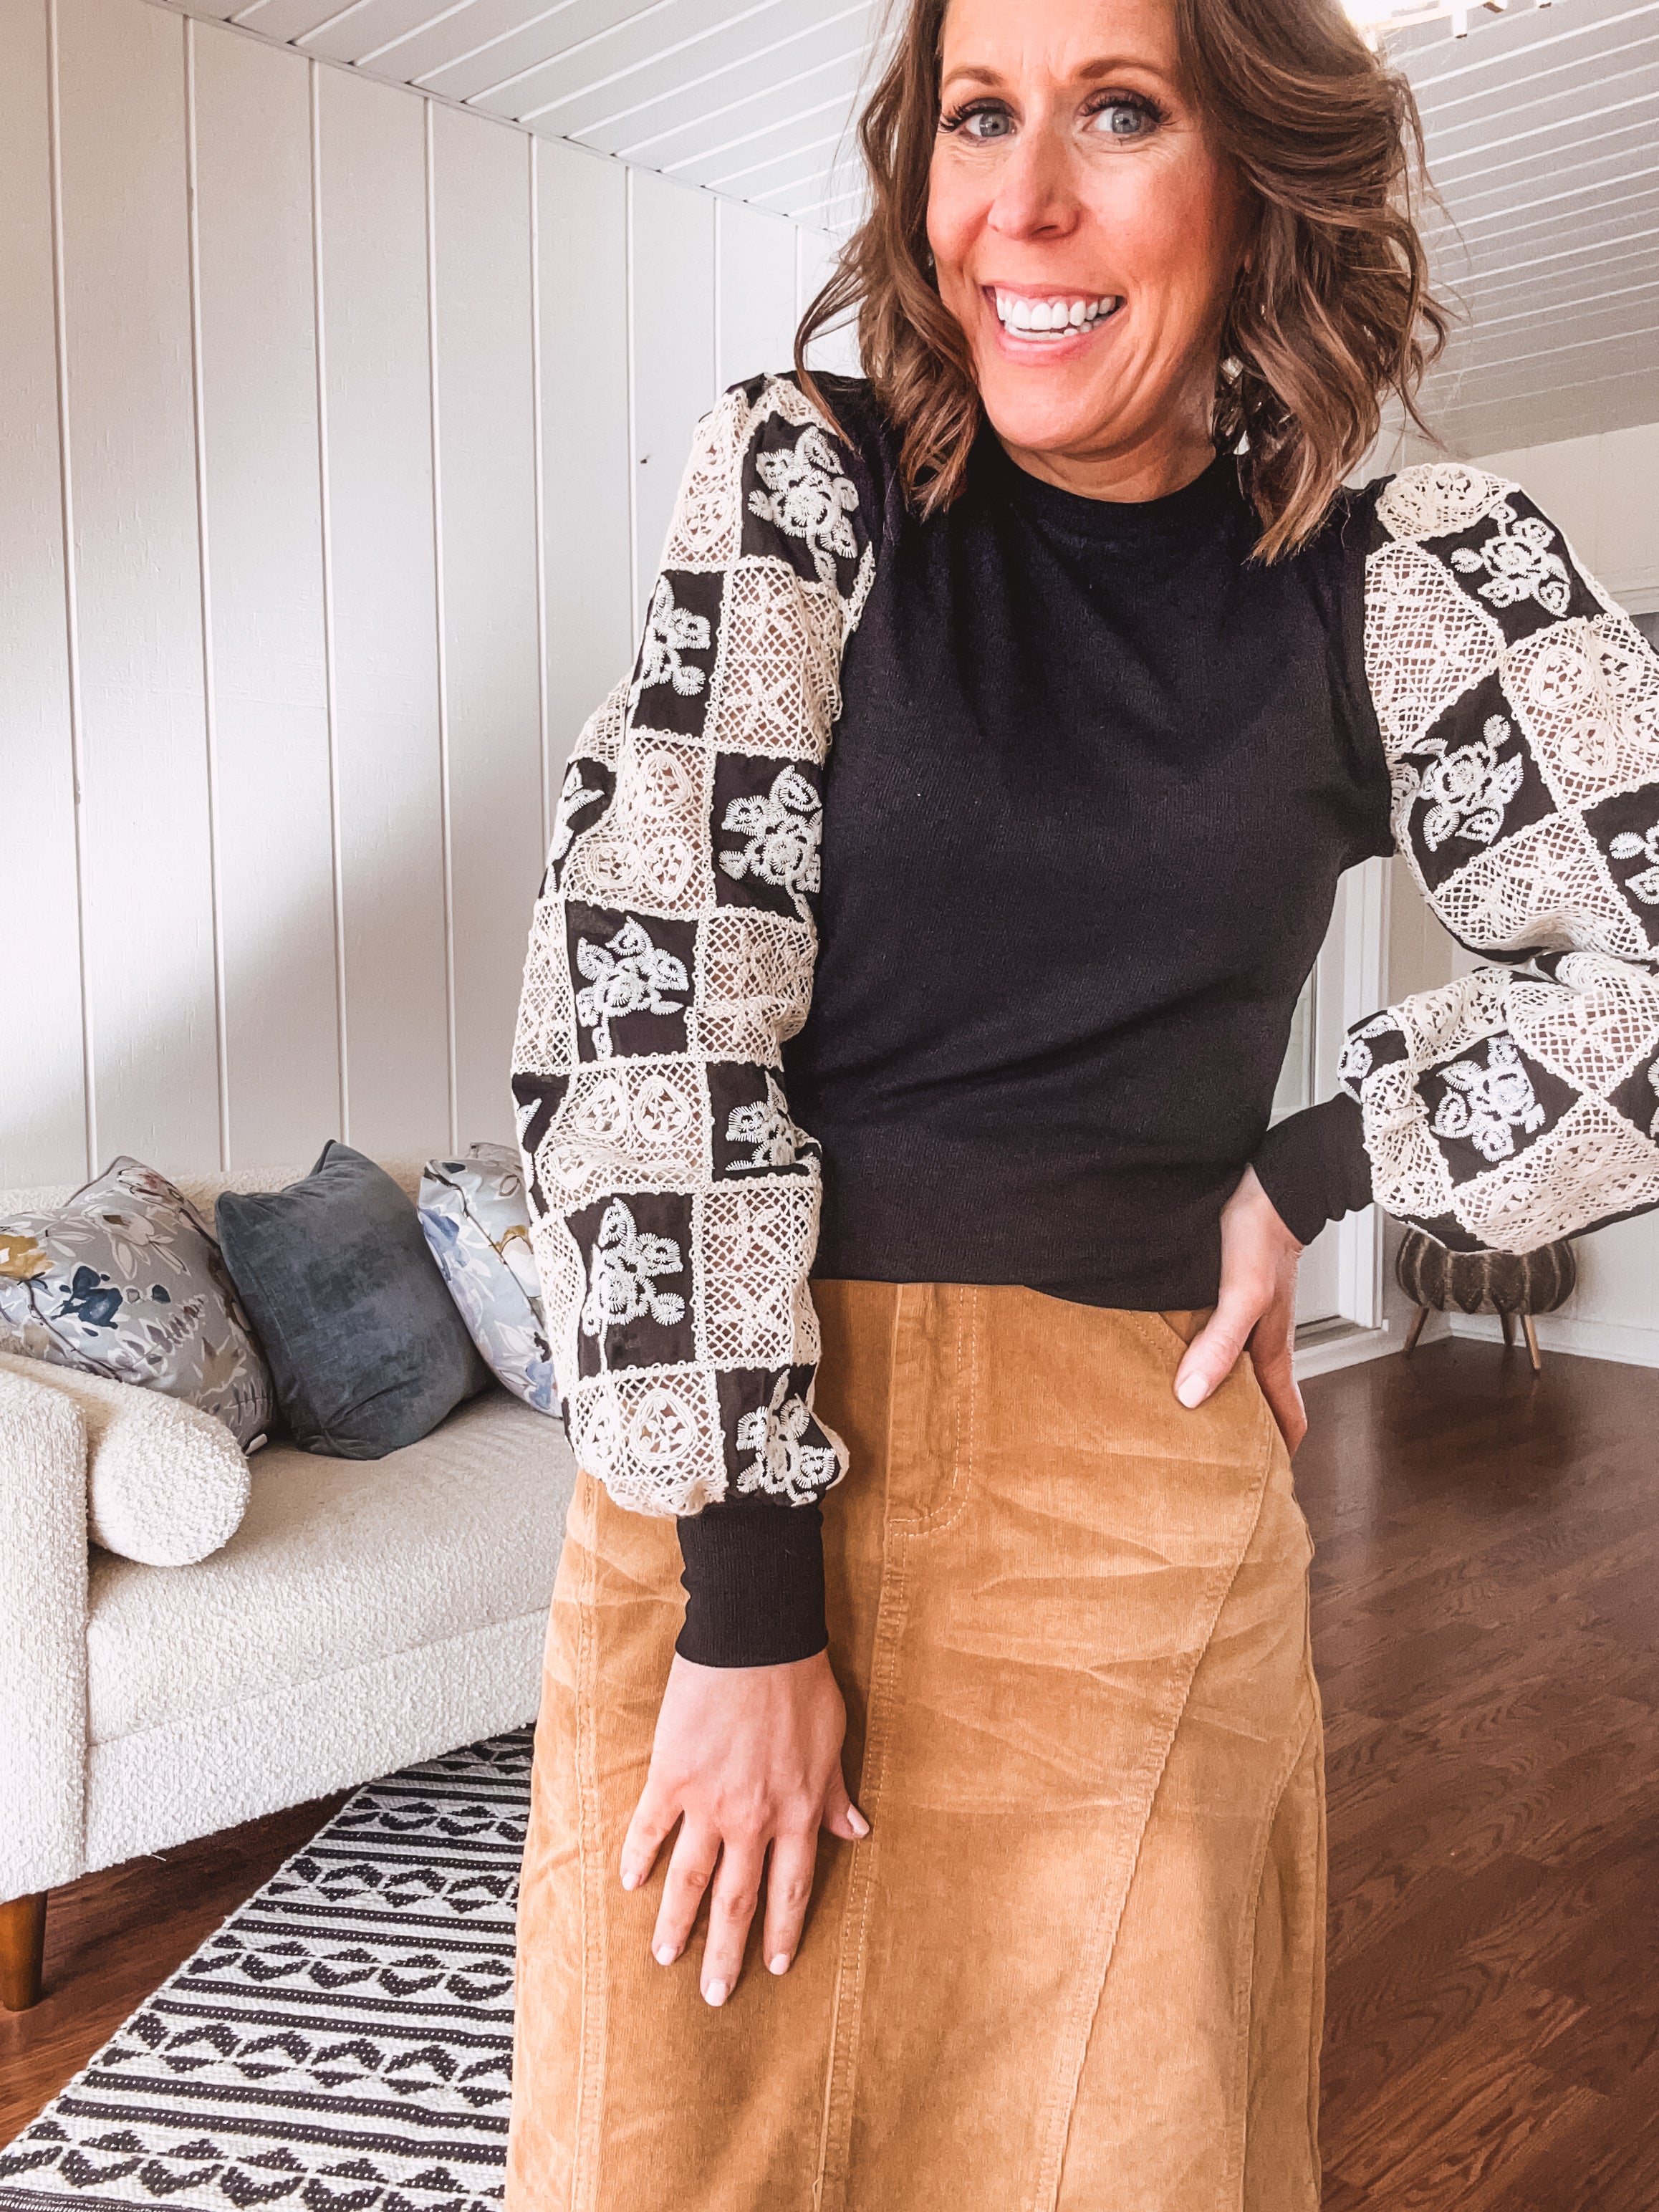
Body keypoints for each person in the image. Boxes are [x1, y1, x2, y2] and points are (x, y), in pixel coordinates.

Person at [504, 0, 1659, 2200]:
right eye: (976, 117)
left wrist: (1316, 1170)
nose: (1020, 204)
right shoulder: (809, 487)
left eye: (1116, 113)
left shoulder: (1397, 586)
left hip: (1133, 1503)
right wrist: (747, 1601)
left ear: (1256, 185)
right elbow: (647, 997)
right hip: (734, 1471)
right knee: (666, 2153)